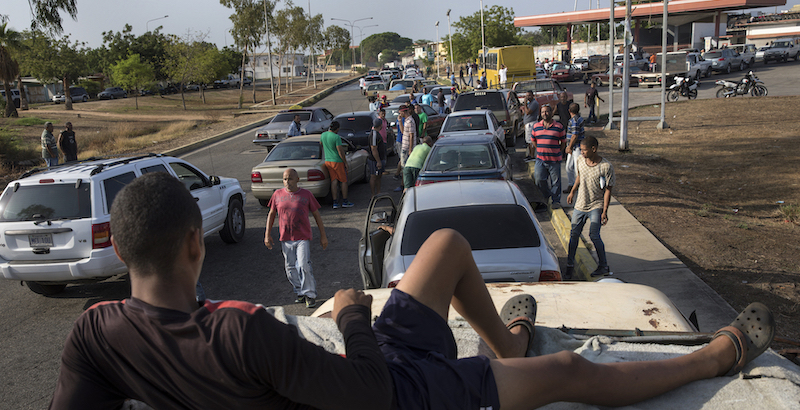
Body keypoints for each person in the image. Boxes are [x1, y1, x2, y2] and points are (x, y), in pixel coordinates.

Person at [51, 172, 777, 409]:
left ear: (122, 247)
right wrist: (351, 312)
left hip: (344, 371)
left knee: (446, 247)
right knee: (569, 373)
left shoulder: (95, 330)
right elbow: (368, 391)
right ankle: (717, 355)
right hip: (390, 391)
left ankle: (508, 340)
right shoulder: (239, 333)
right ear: (193, 244)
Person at [265, 169, 328, 308]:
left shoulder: (306, 195)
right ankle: (300, 291)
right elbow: (271, 214)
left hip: (302, 237)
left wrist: (323, 236)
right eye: (285, 179)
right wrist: (267, 234)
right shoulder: (277, 194)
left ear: (297, 179)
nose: (288, 182)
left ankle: (310, 294)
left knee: (304, 265)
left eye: (290, 178)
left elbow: (317, 215)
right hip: (286, 238)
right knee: (290, 268)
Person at [565, 135, 614, 278]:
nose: (582, 153)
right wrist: (573, 191)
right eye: (581, 150)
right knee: (574, 234)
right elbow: (579, 176)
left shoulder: (606, 167)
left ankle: (603, 265)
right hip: (580, 204)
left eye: (584, 150)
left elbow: (608, 190)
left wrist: (604, 210)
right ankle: (569, 265)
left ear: (594, 149)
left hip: (596, 205)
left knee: (594, 235)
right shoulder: (580, 160)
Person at [531, 105, 566, 208]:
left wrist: (557, 151)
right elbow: (533, 140)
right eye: (542, 112)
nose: (544, 114)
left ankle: (556, 201)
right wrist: (541, 149)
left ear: (551, 113)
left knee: (556, 182)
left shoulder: (559, 127)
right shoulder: (536, 126)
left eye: (546, 112)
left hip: (554, 160)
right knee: (539, 180)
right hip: (540, 160)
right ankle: (546, 196)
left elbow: (563, 142)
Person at [320, 121, 353, 209]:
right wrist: (345, 162)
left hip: (328, 160)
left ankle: (335, 202)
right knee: (343, 181)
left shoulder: (323, 135)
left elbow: (321, 144)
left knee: (333, 181)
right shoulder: (336, 137)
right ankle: (345, 201)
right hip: (337, 161)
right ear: (337, 129)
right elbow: (340, 151)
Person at [563, 103, 585, 194]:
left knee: (577, 168)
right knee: (568, 167)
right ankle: (571, 184)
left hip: (576, 148)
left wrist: (569, 147)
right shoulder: (578, 118)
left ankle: (580, 186)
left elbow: (574, 135)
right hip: (573, 147)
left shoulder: (574, 121)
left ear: (569, 111)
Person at [368, 110, 388, 196]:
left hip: (380, 158)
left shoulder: (376, 133)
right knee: (374, 176)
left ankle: (378, 192)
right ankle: (373, 194)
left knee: (379, 176)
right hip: (374, 160)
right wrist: (378, 161)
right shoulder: (374, 134)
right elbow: (374, 148)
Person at [520, 90, 541, 161]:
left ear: (532, 96)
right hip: (527, 124)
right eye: (526, 96)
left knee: (531, 141)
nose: (527, 97)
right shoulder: (530, 103)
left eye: (529, 95)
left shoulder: (534, 103)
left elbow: (528, 112)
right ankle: (529, 154)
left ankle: (532, 155)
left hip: (531, 124)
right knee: (528, 141)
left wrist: (525, 104)